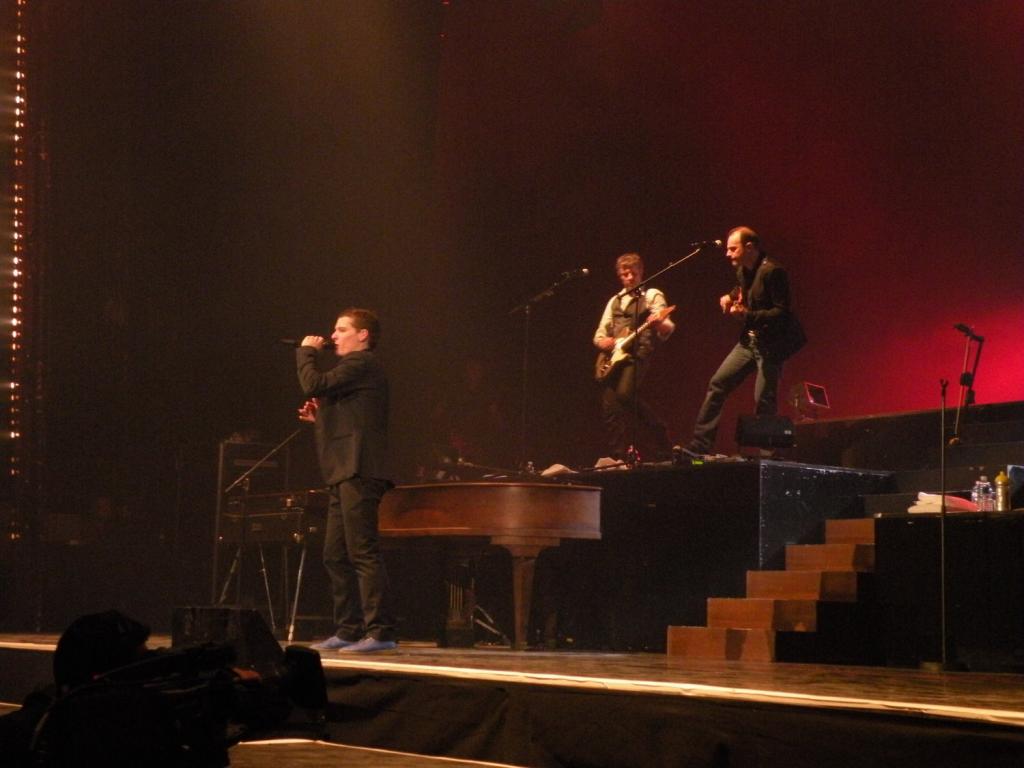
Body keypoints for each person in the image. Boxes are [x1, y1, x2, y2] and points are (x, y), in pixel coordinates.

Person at [297, 308, 397, 652]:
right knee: (334, 554)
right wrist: (321, 418)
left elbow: (313, 384)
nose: (333, 336)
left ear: (363, 335)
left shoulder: (362, 363)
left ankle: (381, 632)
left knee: (362, 552)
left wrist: (306, 352)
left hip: (360, 470)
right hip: (343, 471)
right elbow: (353, 419)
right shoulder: (356, 373)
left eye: (341, 330)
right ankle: (348, 629)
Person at [684, 227, 805, 455]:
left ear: (749, 247)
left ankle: (767, 456)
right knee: (718, 383)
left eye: (733, 249)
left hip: (771, 345)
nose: (727, 254)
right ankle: (700, 446)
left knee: (764, 399)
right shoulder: (743, 269)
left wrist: (746, 316)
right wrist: (729, 296)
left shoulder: (773, 271)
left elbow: (782, 313)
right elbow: (744, 289)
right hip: (749, 342)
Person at [593, 252, 675, 462]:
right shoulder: (615, 300)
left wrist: (659, 322)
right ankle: (618, 457)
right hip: (614, 357)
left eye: (633, 273)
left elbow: (667, 327)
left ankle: (659, 432)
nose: (629, 277)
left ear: (641, 272)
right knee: (610, 408)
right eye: (624, 274)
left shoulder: (651, 295)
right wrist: (603, 342)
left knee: (625, 395)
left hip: (637, 353)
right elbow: (599, 334)